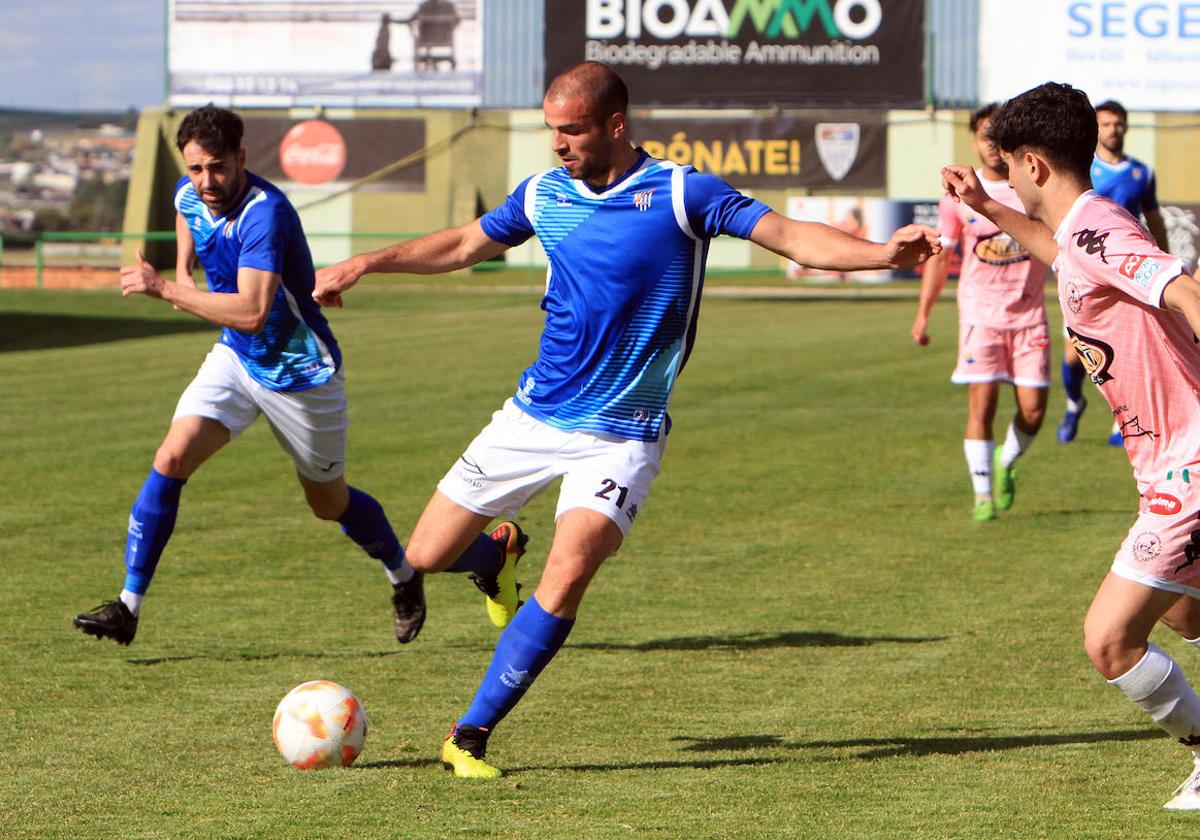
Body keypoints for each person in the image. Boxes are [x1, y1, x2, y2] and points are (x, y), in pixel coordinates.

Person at [313, 61, 940, 779]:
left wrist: (880, 254)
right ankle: (495, 558)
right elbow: (462, 245)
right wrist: (367, 261)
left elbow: (791, 236)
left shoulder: (682, 192)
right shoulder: (544, 194)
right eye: (551, 130)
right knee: (423, 554)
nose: (558, 144)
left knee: (571, 568)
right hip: (532, 417)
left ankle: (470, 734)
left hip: (623, 434)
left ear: (615, 125)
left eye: (572, 130)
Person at [72, 105, 433, 648]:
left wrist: (167, 290)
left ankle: (405, 577)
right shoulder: (191, 190)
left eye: (217, 168)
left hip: (301, 374)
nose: (206, 181)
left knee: (327, 504)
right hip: (237, 360)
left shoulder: (265, 213)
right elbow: (185, 208)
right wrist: (184, 268)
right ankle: (127, 607)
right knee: (171, 458)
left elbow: (251, 313)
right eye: (195, 168)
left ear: (241, 158)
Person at [943, 81, 1200, 810]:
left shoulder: (1103, 231)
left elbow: (1181, 292)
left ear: (1032, 163)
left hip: (1192, 458)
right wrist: (988, 209)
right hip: (1163, 459)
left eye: (1005, 166)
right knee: (1184, 612)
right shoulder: (1082, 231)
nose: (1002, 175)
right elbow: (1064, 255)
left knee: (1110, 640)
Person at [911, 104, 1049, 522]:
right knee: (982, 404)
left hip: (1029, 316)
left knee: (1033, 410)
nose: (991, 143)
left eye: (998, 135)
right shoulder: (957, 198)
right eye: (984, 135)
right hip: (980, 315)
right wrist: (923, 313)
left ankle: (1006, 464)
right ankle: (983, 493)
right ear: (974, 140)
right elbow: (939, 257)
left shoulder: (1031, 190)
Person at [1058, 99, 1170, 446]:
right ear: (1096, 128)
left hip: (1128, 270)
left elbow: (1153, 219)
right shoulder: (1080, 169)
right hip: (1086, 269)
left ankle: (1123, 421)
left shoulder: (1142, 173)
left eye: (1118, 123)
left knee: (1129, 351)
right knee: (1074, 354)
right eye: (1106, 124)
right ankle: (1074, 402)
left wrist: (1163, 256)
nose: (1113, 129)